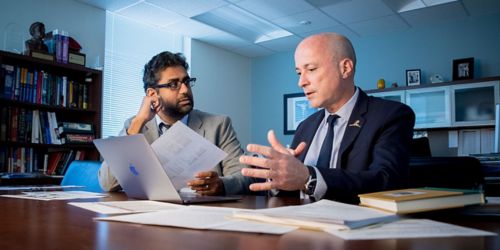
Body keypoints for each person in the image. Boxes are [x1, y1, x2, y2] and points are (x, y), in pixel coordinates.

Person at [239, 33, 415, 204]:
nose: (301, 82)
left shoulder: (391, 115)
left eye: (311, 69)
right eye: (299, 73)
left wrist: (310, 177)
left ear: (345, 68)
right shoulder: (305, 127)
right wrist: (279, 176)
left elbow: (387, 183)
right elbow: (294, 190)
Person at [98, 51, 252, 195]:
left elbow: (244, 176)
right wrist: (138, 123)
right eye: (173, 84)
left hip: (201, 214)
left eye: (186, 81)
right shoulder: (134, 126)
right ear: (152, 94)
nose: (185, 90)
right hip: (150, 216)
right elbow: (108, 183)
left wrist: (222, 185)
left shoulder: (219, 125)